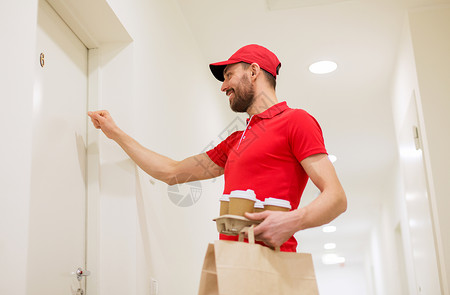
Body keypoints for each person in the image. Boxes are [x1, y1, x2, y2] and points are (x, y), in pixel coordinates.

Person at [88, 44, 347, 252]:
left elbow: (336, 198)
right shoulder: (236, 140)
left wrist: (292, 221)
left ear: (254, 71)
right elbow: (171, 172)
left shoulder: (296, 121)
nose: (223, 86)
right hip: (230, 262)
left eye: (229, 75)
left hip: (274, 263)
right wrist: (115, 133)